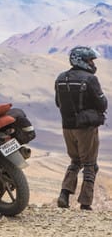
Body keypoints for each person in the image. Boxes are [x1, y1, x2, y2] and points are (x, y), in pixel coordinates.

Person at [55, 45, 107, 210]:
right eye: (90, 60)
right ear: (82, 61)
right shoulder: (90, 79)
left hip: (67, 127)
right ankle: (85, 203)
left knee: (75, 161)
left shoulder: (61, 78)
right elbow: (102, 103)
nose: (92, 63)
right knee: (90, 164)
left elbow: (58, 103)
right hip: (86, 128)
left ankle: (64, 194)